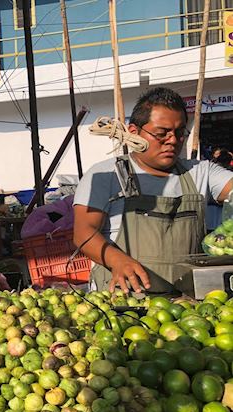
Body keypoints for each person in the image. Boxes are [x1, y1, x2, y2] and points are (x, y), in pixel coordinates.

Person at [73, 87, 233, 294]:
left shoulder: (201, 172)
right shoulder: (106, 175)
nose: (173, 140)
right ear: (134, 133)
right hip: (125, 299)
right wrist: (117, 260)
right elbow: (83, 232)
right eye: (161, 133)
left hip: (187, 302)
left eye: (179, 132)